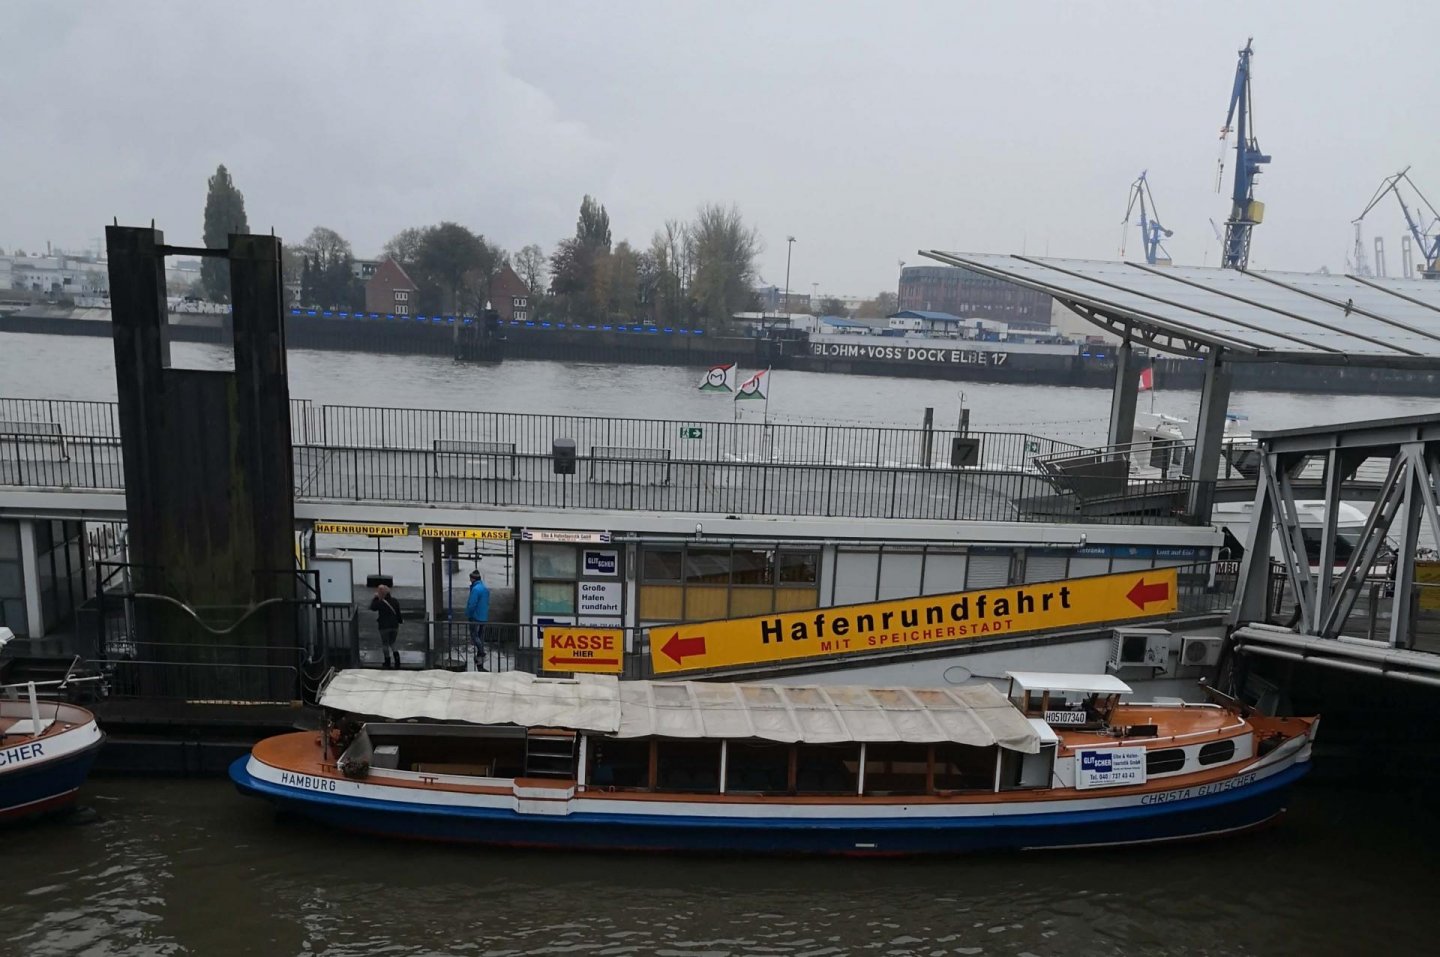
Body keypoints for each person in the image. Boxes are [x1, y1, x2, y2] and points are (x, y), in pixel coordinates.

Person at [369, 584, 404, 669]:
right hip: (394, 626)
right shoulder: (395, 601)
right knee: (393, 642)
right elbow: (398, 613)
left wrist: (375, 598)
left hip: (384, 627)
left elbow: (372, 607)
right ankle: (397, 660)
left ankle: (387, 662)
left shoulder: (380, 602)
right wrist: (399, 621)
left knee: (385, 644)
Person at [465, 569, 490, 670]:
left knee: (474, 635)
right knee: (480, 636)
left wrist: (468, 614)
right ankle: (480, 653)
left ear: (473, 578)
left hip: (475, 616)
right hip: (484, 616)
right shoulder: (485, 589)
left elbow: (472, 604)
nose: (469, 580)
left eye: (470, 578)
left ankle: (482, 651)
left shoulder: (475, 589)